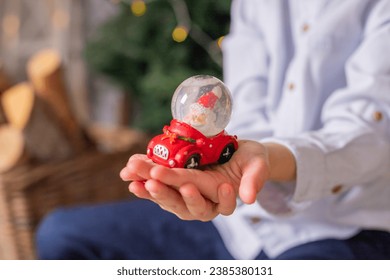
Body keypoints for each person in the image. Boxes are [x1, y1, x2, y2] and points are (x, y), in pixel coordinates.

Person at [36, 0, 390, 260]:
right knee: (61, 235)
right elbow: (245, 106)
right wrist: (235, 165)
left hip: (343, 225)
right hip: (237, 224)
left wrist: (265, 158)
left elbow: (369, 135)